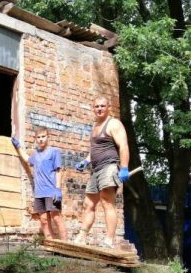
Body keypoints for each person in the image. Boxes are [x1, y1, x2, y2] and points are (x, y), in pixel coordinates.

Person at [74, 96, 130, 248]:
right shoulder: (95, 127)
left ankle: (109, 241)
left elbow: (124, 146)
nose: (99, 109)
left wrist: (124, 168)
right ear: (93, 108)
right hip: (96, 170)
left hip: (109, 167)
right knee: (88, 204)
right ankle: (82, 236)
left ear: (108, 107)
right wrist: (85, 161)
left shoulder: (113, 124)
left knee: (107, 202)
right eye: (96, 106)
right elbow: (95, 150)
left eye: (102, 106)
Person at [11, 128, 68, 241]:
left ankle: (67, 246)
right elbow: (27, 159)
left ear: (48, 137)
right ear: (36, 139)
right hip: (39, 193)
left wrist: (57, 189)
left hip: (52, 192)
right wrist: (17, 146)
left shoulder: (54, 151)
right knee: (44, 220)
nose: (41, 139)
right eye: (39, 137)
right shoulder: (36, 154)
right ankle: (51, 245)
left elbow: (58, 170)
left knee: (56, 218)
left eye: (43, 136)